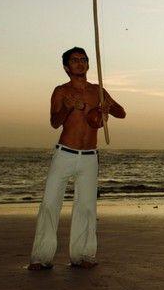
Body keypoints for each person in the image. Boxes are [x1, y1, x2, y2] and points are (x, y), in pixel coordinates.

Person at [27, 47, 126, 270]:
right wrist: (69, 109)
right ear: (66, 67)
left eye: (83, 59)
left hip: (90, 156)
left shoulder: (97, 90)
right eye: (74, 60)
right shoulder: (61, 91)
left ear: (89, 64)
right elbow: (54, 122)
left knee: (87, 206)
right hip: (65, 153)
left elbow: (122, 113)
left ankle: (82, 255)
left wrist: (107, 106)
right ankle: (41, 258)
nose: (80, 63)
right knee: (50, 203)